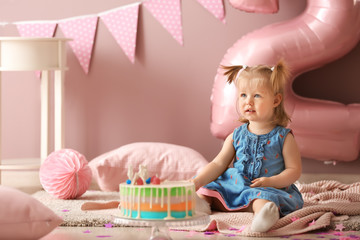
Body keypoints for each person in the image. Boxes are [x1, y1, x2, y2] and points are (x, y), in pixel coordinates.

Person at [192, 60, 303, 233]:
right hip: (237, 185)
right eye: (243, 95)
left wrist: (272, 181)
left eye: (257, 96)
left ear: (275, 100)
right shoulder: (236, 135)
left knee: (263, 200)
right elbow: (218, 164)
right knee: (210, 189)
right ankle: (201, 206)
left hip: (266, 187)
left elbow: (294, 170)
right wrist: (198, 181)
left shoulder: (283, 137)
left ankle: (264, 217)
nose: (248, 102)